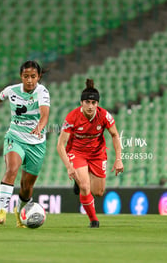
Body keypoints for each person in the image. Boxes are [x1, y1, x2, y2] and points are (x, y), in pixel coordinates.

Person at [0, 60, 50, 228]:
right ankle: (1, 212)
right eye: (26, 76)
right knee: (12, 169)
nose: (29, 80)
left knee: (27, 187)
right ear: (21, 76)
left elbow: (44, 115)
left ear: (39, 77)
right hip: (15, 137)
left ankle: (20, 213)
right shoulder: (11, 90)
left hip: (37, 143)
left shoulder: (42, 92)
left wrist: (39, 127)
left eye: (33, 76)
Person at [57, 79, 123, 228]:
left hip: (97, 154)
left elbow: (115, 135)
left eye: (94, 103)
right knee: (85, 186)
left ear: (97, 104)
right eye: (87, 102)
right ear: (81, 103)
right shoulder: (71, 117)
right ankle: (94, 220)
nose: (91, 106)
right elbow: (60, 145)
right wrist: (68, 166)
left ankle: (79, 183)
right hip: (77, 152)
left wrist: (119, 159)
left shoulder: (104, 116)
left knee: (98, 192)